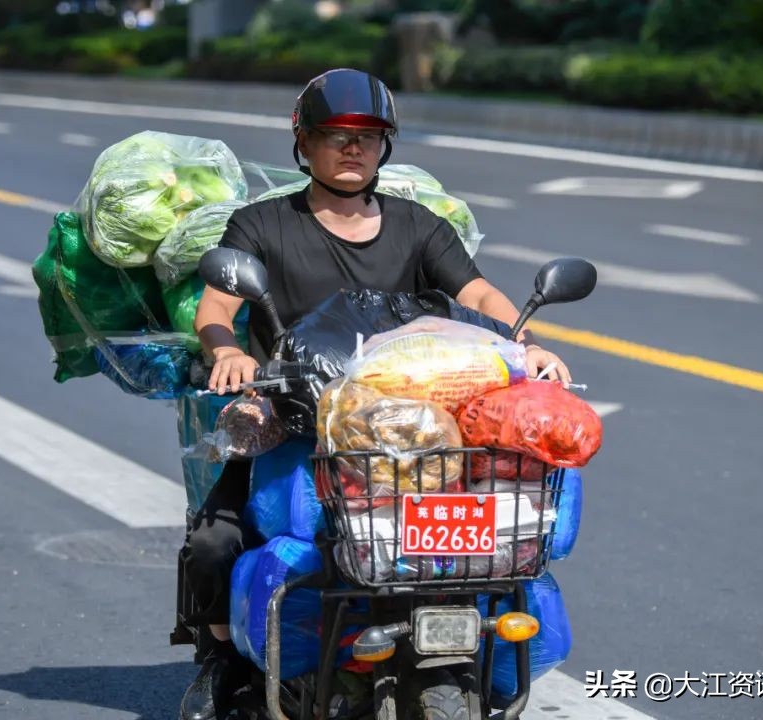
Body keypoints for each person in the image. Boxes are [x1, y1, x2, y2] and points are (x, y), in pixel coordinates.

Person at [180, 68, 572, 720]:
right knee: (216, 541)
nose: (352, 148)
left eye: (368, 136)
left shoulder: (418, 226)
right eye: (336, 135)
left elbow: (477, 294)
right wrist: (226, 350)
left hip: (412, 427)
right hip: (303, 423)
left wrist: (521, 345)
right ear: (303, 143)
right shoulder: (262, 225)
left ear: (385, 144)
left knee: (492, 541)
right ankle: (221, 660)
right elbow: (215, 306)